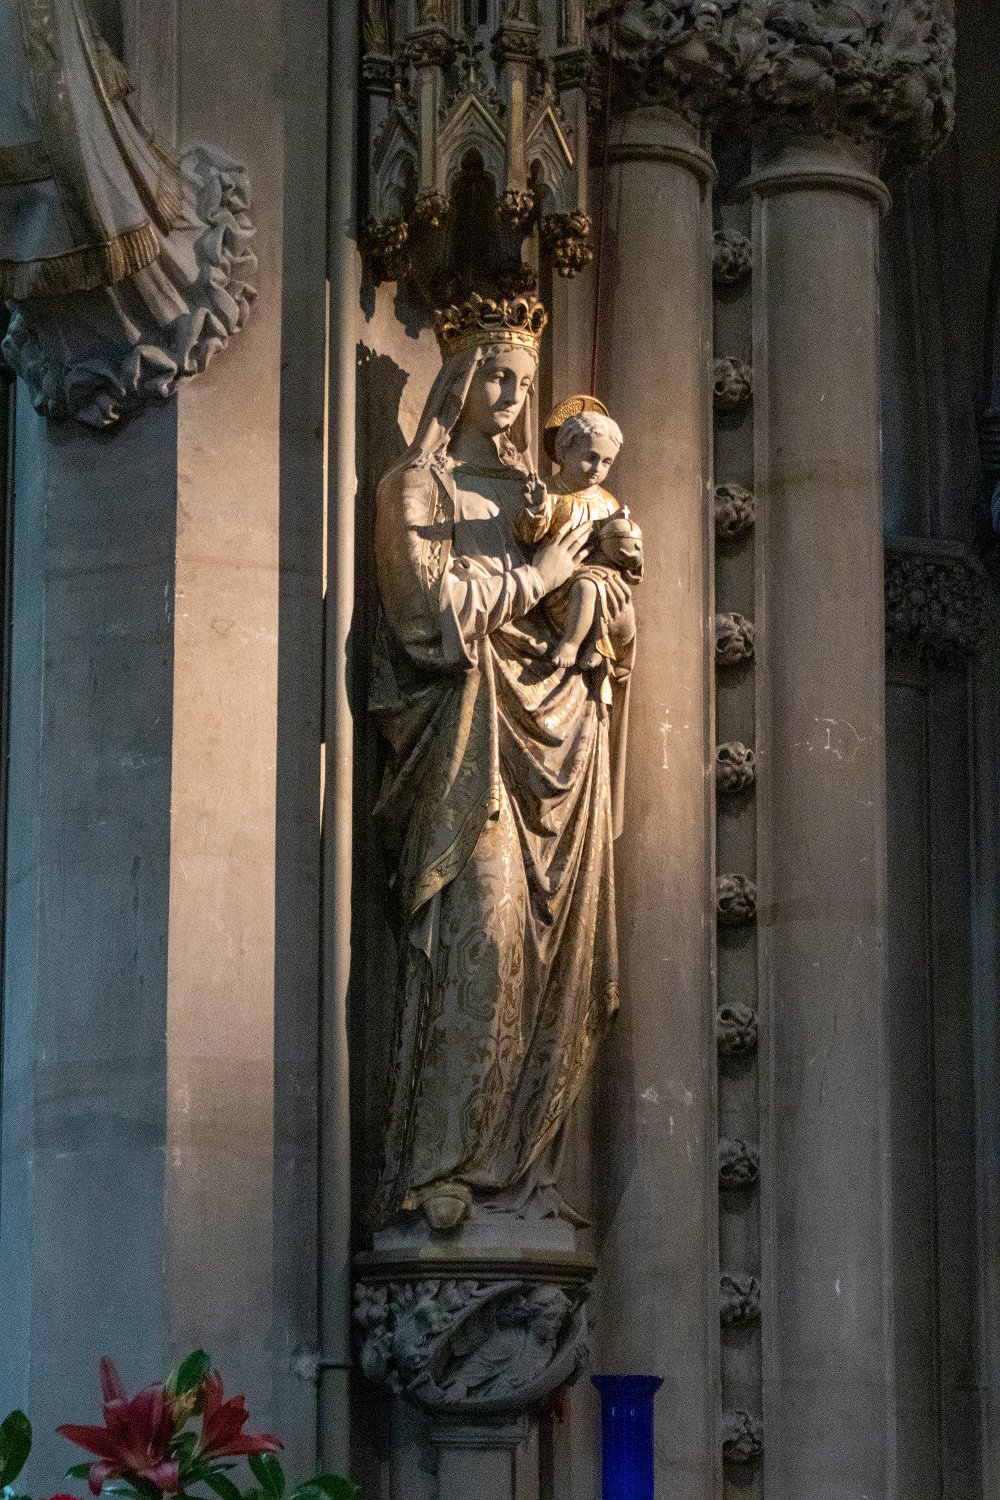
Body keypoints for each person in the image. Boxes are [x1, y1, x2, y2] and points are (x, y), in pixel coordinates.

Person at [370, 293, 640, 1234]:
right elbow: (423, 619)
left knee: (547, 953)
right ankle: (439, 1164)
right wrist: (542, 576)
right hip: (468, 742)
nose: (513, 399)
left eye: (525, 384)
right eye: (496, 378)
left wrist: (595, 584)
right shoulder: (416, 490)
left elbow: (612, 596)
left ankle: (521, 1165)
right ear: (458, 378)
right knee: (481, 934)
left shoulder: (546, 501)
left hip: (562, 735)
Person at [514, 403, 642, 699]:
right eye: (590, 457)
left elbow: (622, 549)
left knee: (622, 604)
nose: (597, 469)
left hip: (604, 579)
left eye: (607, 462)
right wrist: (535, 509)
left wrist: (631, 553)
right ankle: (572, 644)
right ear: (563, 452)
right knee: (587, 588)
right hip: (562, 587)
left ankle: (599, 647)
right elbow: (528, 536)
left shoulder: (608, 503)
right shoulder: (550, 494)